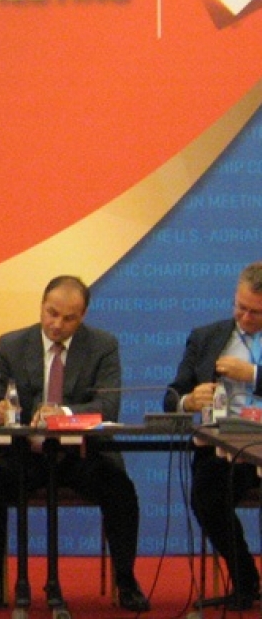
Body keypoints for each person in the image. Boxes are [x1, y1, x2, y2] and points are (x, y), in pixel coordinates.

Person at [0, 275, 150, 612]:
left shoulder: (102, 346)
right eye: (51, 313)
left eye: (69, 318)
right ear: (41, 306)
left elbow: (108, 407)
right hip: (29, 455)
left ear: (82, 316)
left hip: (81, 455)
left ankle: (126, 579)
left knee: (120, 489)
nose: (57, 324)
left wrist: (63, 413)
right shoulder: (11, 345)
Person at [164, 261, 262, 611]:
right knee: (207, 497)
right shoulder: (206, 337)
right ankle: (246, 579)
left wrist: (253, 374)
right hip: (222, 447)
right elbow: (172, 396)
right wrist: (189, 400)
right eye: (240, 307)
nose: (245, 317)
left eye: (255, 312)